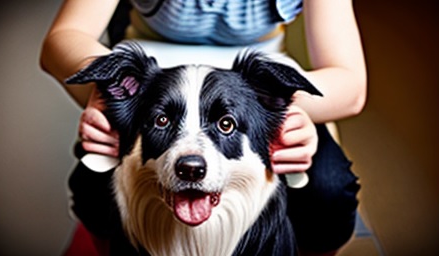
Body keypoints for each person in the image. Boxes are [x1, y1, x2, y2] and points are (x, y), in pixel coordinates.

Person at [40, 0, 367, 255]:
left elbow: (351, 84)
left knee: (329, 193)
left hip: (255, 89)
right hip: (153, 86)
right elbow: (61, 39)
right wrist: (107, 91)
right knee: (92, 186)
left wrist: (286, 113)